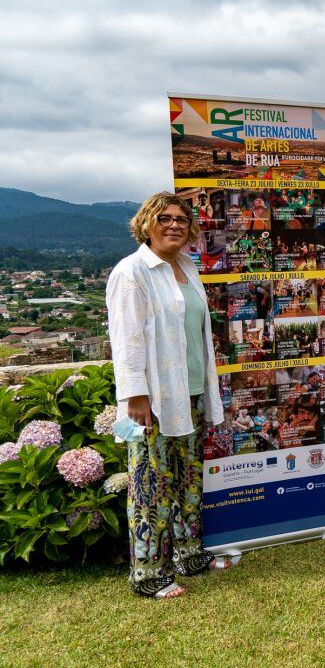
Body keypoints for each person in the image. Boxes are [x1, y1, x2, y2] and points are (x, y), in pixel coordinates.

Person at [106, 192, 228, 599]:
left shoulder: (186, 267)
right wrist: (135, 396)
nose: (174, 225)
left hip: (189, 393)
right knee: (150, 485)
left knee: (188, 480)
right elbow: (127, 340)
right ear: (147, 223)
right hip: (153, 400)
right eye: (165, 218)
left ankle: (189, 555)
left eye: (181, 219)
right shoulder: (132, 272)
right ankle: (148, 574)